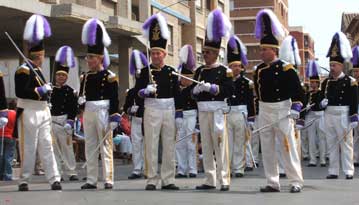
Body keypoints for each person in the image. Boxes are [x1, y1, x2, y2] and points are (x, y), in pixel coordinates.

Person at [253, 9, 304, 193]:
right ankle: (272, 181)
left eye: (264, 49)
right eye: (260, 49)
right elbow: (257, 94)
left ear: (273, 50)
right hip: (265, 110)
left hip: (282, 109)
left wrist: (297, 106)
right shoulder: (259, 70)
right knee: (267, 148)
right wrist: (256, 114)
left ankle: (295, 181)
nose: (261, 53)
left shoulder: (286, 69)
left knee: (287, 146)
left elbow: (298, 91)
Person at [135, 13, 181, 191]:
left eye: (158, 53)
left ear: (164, 54)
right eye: (153, 53)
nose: (155, 56)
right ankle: (152, 179)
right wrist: (143, 91)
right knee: (151, 144)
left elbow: (177, 93)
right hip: (152, 109)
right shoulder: (143, 71)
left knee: (169, 145)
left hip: (168, 108)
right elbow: (136, 92)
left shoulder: (171, 72)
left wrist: (179, 113)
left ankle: (168, 179)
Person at [15, 14, 61, 191]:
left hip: (42, 111)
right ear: (39, 55)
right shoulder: (23, 70)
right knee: (28, 146)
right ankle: (24, 179)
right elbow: (21, 92)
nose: (43, 57)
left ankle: (54, 178)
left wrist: (46, 93)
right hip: (29, 111)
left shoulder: (38, 71)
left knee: (46, 145)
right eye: (42, 54)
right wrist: (39, 91)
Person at [192, 8, 233, 191]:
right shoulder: (200, 71)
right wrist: (196, 89)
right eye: (204, 52)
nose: (205, 55)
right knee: (206, 145)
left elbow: (229, 90)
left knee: (219, 144)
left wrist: (214, 88)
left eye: (208, 52)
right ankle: (210, 179)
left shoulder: (225, 71)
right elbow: (190, 93)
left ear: (216, 53)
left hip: (217, 109)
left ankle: (224, 179)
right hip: (203, 109)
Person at [79, 18, 121, 190]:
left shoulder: (109, 76)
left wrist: (114, 116)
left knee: (105, 145)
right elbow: (82, 96)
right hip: (88, 111)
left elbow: (114, 98)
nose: (89, 60)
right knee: (90, 145)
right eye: (88, 57)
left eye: (92, 57)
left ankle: (108, 178)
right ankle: (91, 179)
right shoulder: (85, 76)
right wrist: (80, 103)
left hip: (103, 111)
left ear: (100, 58)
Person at [321, 32, 358, 180]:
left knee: (346, 143)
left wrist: (354, 115)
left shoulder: (350, 81)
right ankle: (333, 170)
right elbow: (320, 98)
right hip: (329, 114)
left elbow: (354, 100)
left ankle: (349, 170)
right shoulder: (326, 82)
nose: (332, 68)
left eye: (334, 65)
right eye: (330, 65)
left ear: (341, 66)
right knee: (331, 143)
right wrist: (321, 103)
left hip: (343, 114)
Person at [225, 35, 255, 178]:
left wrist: (251, 118)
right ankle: (229, 166)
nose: (237, 68)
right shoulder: (225, 80)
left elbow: (250, 100)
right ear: (229, 67)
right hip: (229, 112)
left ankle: (239, 167)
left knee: (240, 141)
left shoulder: (246, 82)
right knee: (228, 141)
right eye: (233, 66)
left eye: (238, 65)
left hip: (242, 112)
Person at [51, 46, 79, 181]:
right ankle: (57, 172)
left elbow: (74, 108)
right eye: (58, 75)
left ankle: (71, 171)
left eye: (63, 75)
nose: (60, 77)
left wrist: (71, 121)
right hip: (51, 121)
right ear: (55, 76)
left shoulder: (70, 91)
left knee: (67, 148)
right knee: (54, 149)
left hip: (64, 121)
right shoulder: (49, 90)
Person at [175, 45, 198, 178]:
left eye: (186, 77)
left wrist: (197, 124)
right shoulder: (178, 89)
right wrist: (178, 115)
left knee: (191, 143)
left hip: (192, 115)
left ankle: (193, 169)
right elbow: (177, 103)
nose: (183, 80)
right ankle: (181, 169)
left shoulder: (195, 89)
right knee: (180, 143)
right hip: (181, 116)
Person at [123, 50, 147, 179]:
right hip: (136, 120)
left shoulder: (149, 89)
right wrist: (129, 109)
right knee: (136, 145)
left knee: (147, 144)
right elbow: (125, 107)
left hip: (147, 119)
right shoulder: (131, 92)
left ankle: (147, 167)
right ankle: (137, 168)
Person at [303, 60, 326, 167]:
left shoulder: (322, 93)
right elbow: (304, 105)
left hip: (320, 116)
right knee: (311, 138)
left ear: (317, 83)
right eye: (311, 82)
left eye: (313, 82)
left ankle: (322, 159)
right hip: (310, 116)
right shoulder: (307, 94)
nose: (312, 84)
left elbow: (321, 105)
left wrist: (318, 104)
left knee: (322, 138)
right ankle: (312, 160)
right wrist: (306, 107)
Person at [351, 46, 359, 167]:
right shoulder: (352, 83)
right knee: (356, 135)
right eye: (355, 71)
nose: (356, 73)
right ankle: (356, 158)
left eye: (358, 71)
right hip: (356, 109)